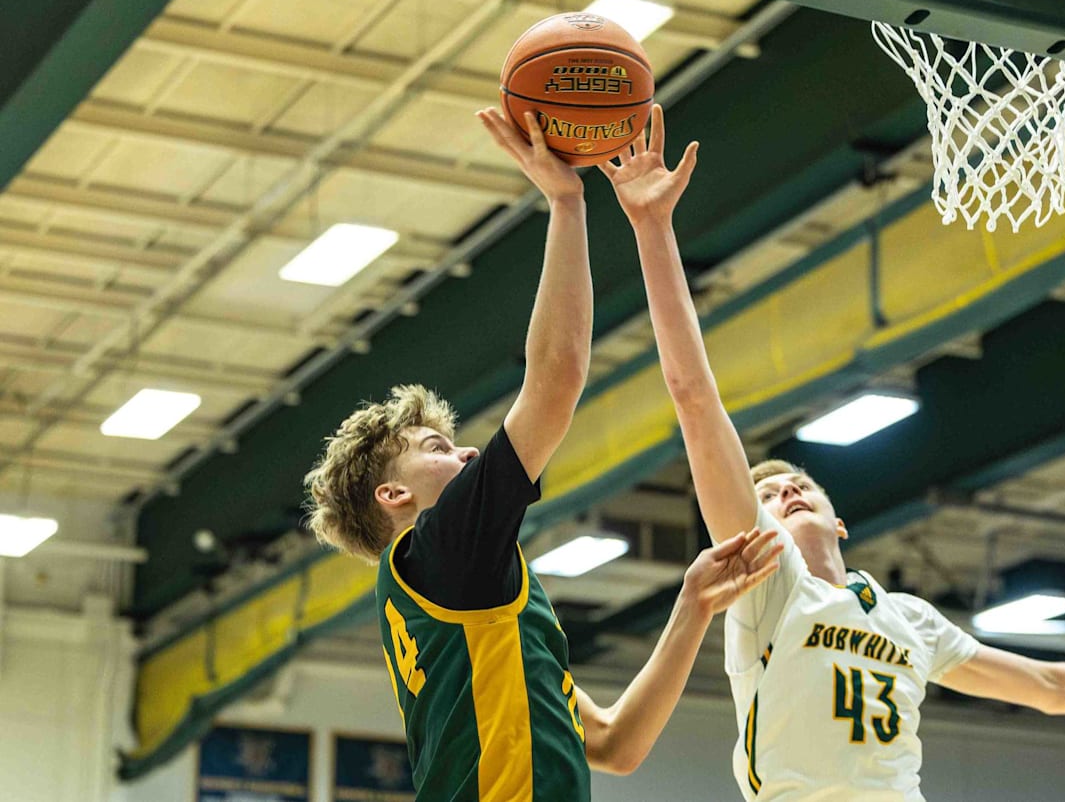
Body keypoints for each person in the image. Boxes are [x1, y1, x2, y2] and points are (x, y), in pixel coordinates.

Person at [600, 103, 1065, 801]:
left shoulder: (908, 618)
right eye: (770, 496)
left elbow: (1050, 687)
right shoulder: (767, 593)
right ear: (754, 536)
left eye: (799, 485)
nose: (786, 493)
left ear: (840, 521)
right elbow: (694, 399)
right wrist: (654, 230)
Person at [302, 108, 781, 802]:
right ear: (392, 497)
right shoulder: (440, 549)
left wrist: (692, 607)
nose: (465, 450)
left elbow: (615, 745)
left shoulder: (475, 601)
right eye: (436, 447)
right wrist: (566, 203)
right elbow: (556, 376)